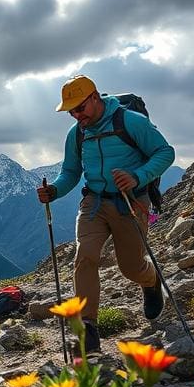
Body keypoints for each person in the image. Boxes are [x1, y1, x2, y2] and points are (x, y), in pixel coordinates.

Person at [38, 75, 175, 353]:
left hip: (131, 202)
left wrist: (137, 177)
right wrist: (54, 191)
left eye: (79, 108)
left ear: (95, 97)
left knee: (131, 267)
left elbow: (165, 153)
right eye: (71, 111)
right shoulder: (77, 133)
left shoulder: (131, 122)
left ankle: (150, 281)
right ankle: (87, 327)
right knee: (85, 255)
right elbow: (71, 172)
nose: (76, 115)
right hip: (94, 202)